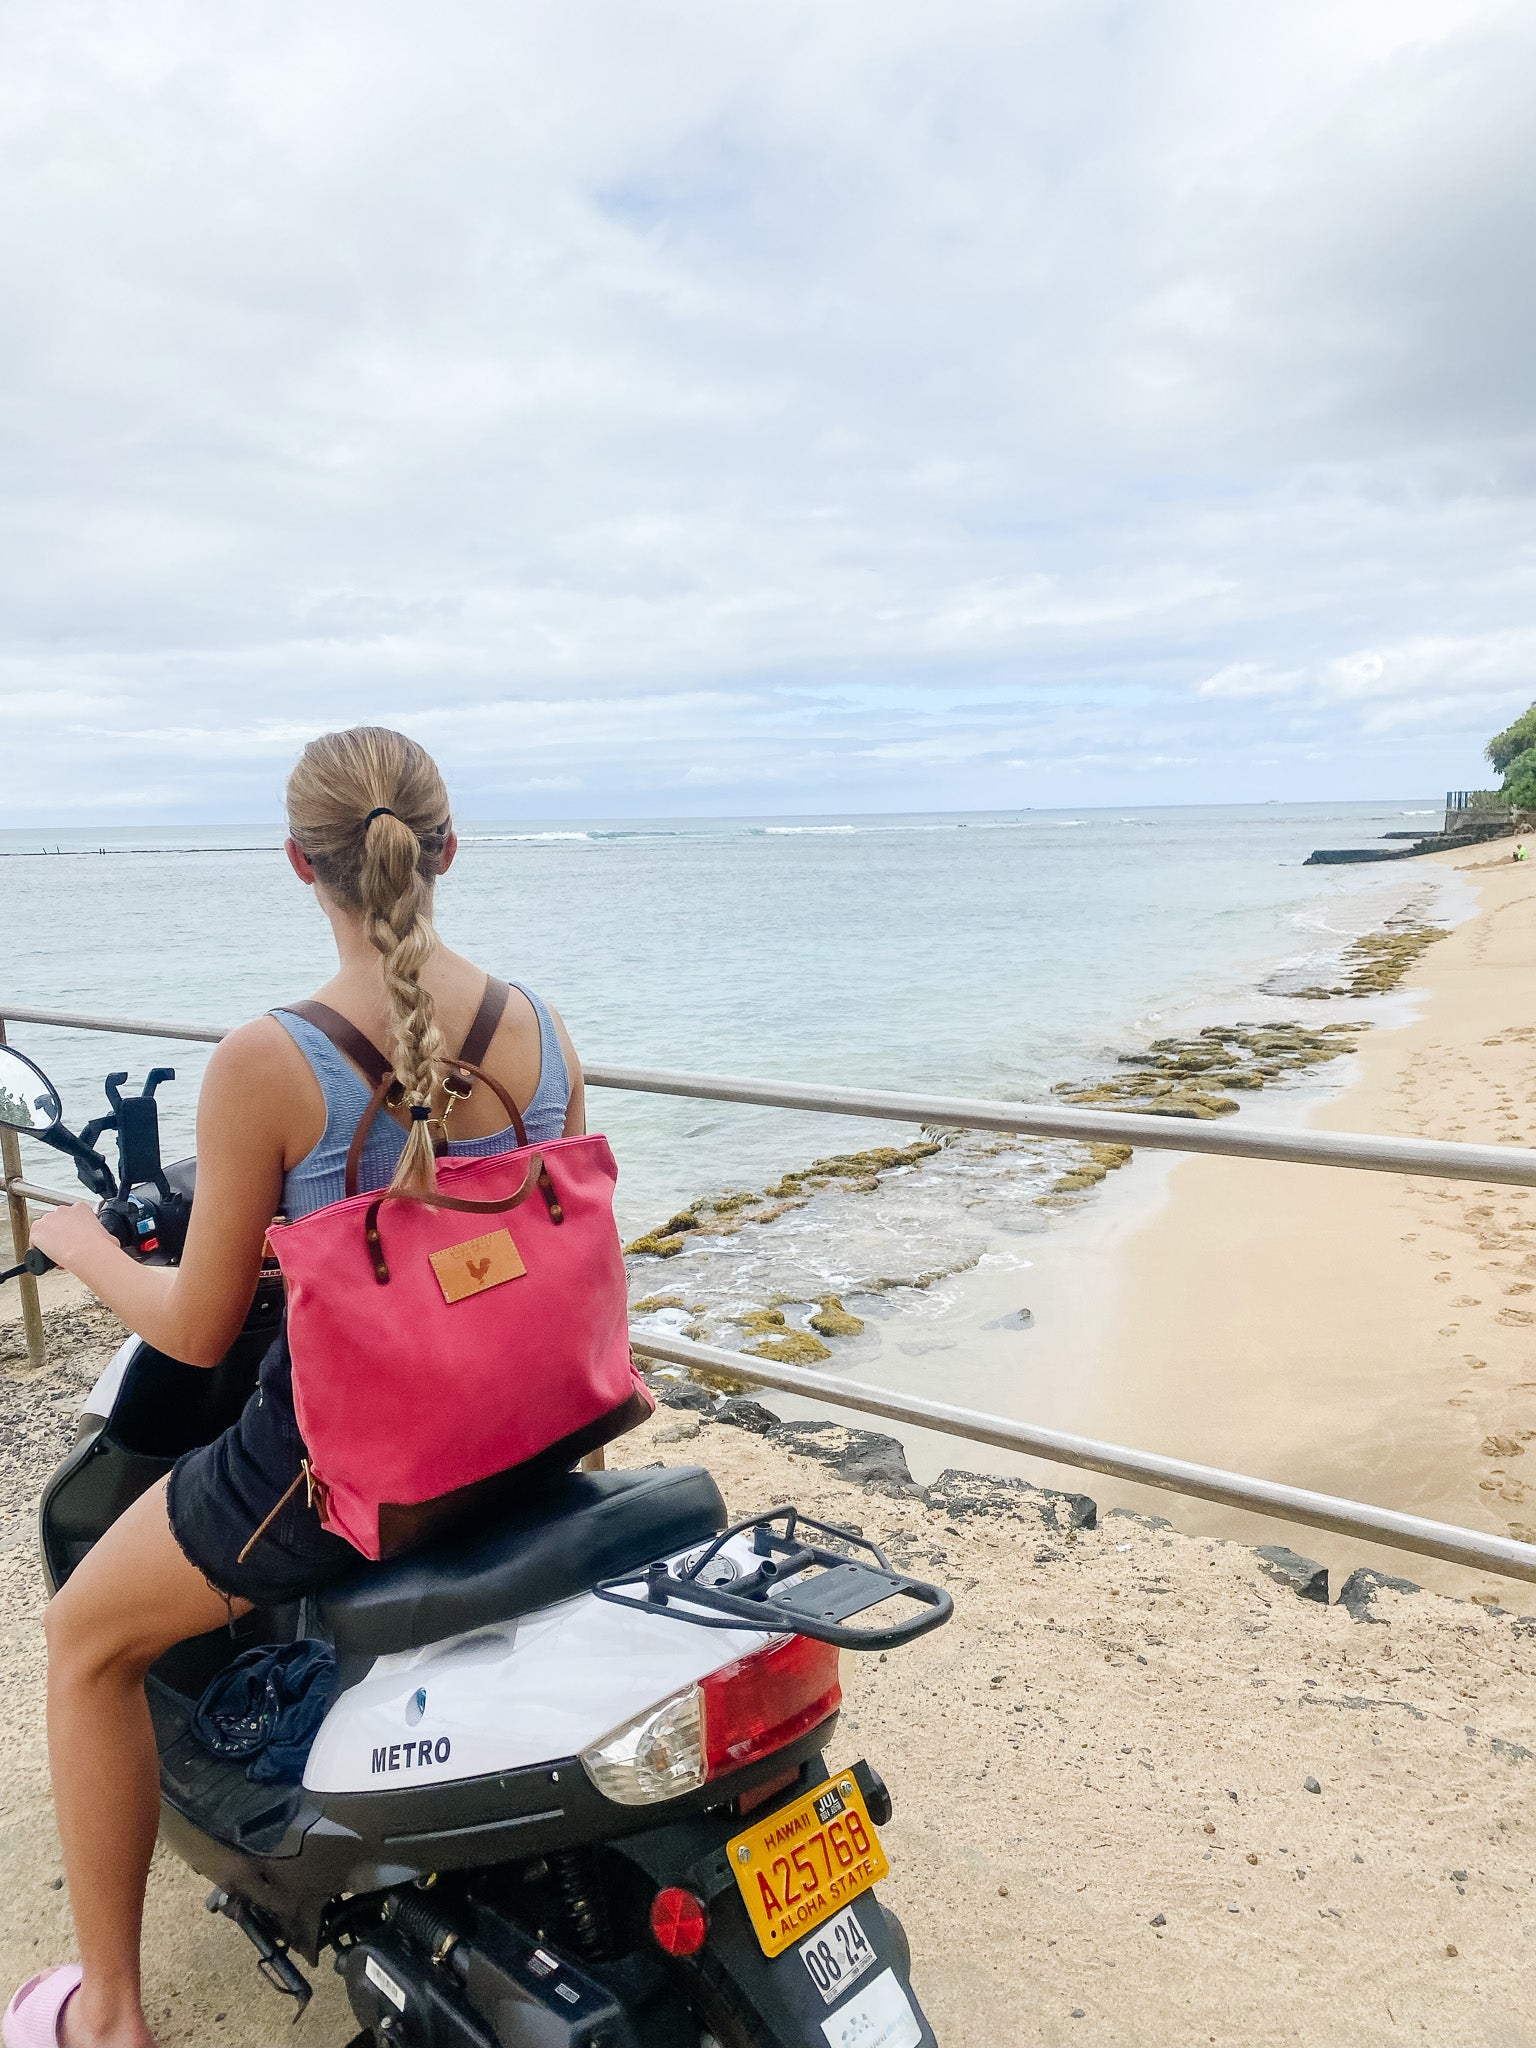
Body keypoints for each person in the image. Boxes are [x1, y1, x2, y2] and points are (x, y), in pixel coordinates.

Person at [5, 729, 584, 2048]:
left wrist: (86, 1250)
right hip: (536, 1431)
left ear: (296, 865)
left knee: (83, 1643)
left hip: (355, 1471)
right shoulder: (541, 1032)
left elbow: (199, 1337)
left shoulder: (271, 1059)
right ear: (446, 852)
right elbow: (521, 1235)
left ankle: (108, 2017)